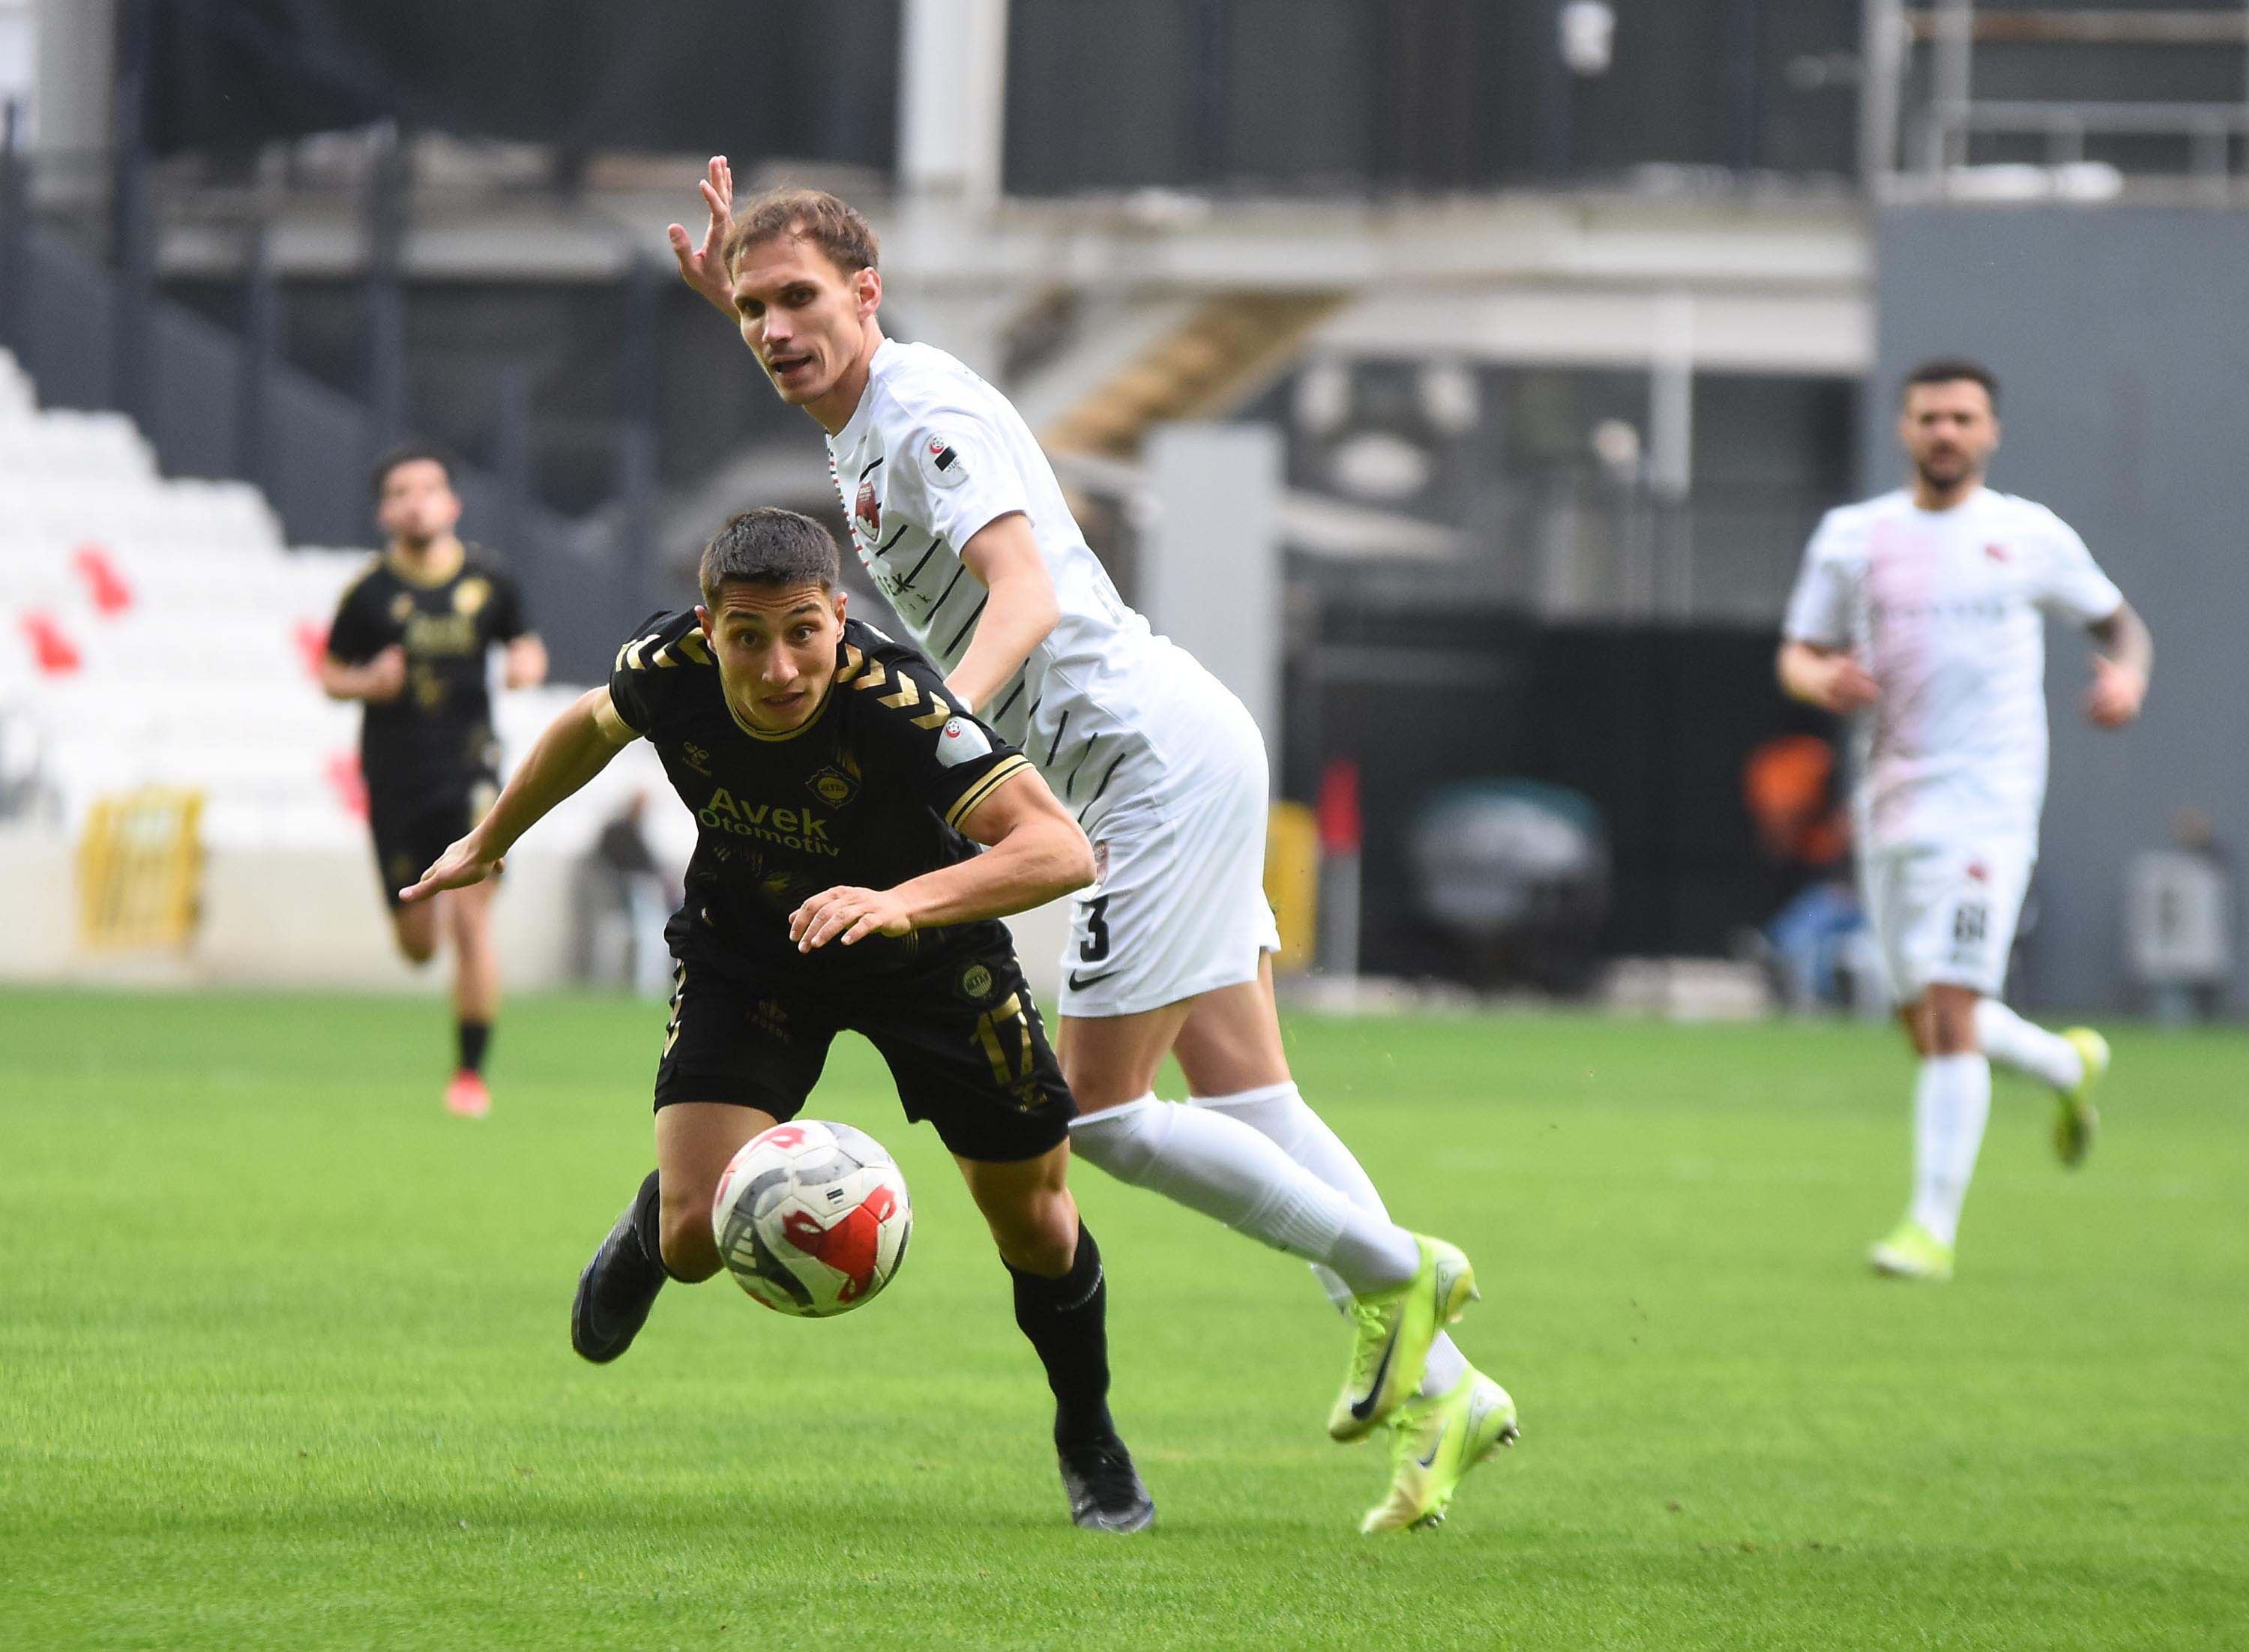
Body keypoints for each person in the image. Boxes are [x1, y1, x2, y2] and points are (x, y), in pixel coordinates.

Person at [666, 166, 1509, 1533]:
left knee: (1103, 1115)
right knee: (1248, 1099)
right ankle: (1446, 1388)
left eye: (798, 299)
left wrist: (933, 737)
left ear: (869, 294)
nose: (772, 327)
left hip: (1146, 771)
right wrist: (736, 299)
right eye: (754, 308)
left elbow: (1025, 592)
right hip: (1173, 752)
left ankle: (1402, 1268)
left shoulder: (924, 417)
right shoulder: (864, 409)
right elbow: (803, 347)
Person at [401, 507, 1154, 1533]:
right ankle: (650, 1227)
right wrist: (492, 838)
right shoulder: (666, 667)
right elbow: (590, 722)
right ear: (709, 630)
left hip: (930, 954)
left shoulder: (898, 703)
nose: (781, 667)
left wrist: (897, 903)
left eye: (804, 632)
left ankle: (1089, 1433)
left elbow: (1058, 849)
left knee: (1033, 1221)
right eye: (748, 638)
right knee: (695, 1235)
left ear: (839, 617)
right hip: (755, 944)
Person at [1777, 357, 2153, 1282]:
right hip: (1890, 802)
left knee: (1951, 1009)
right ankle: (2063, 1067)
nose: (1946, 431)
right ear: (1904, 429)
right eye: (1930, 417)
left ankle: (1929, 1230)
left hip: (1989, 804)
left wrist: (2126, 680)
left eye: (1963, 417)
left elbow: (2120, 625)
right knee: (1928, 1022)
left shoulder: (2029, 535)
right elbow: (1799, 651)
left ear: (1992, 432)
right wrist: (1820, 678)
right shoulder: (1855, 536)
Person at [321, 445, 547, 1118]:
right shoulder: (368, 593)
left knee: (472, 917)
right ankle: (430, 921)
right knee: (419, 947)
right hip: (396, 779)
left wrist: (525, 667)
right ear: (384, 512)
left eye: (427, 489)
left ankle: (470, 1075)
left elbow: (527, 645)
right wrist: (366, 681)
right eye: (400, 493)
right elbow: (331, 673)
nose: (415, 503)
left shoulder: (489, 579)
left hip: (472, 770)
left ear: (452, 503)